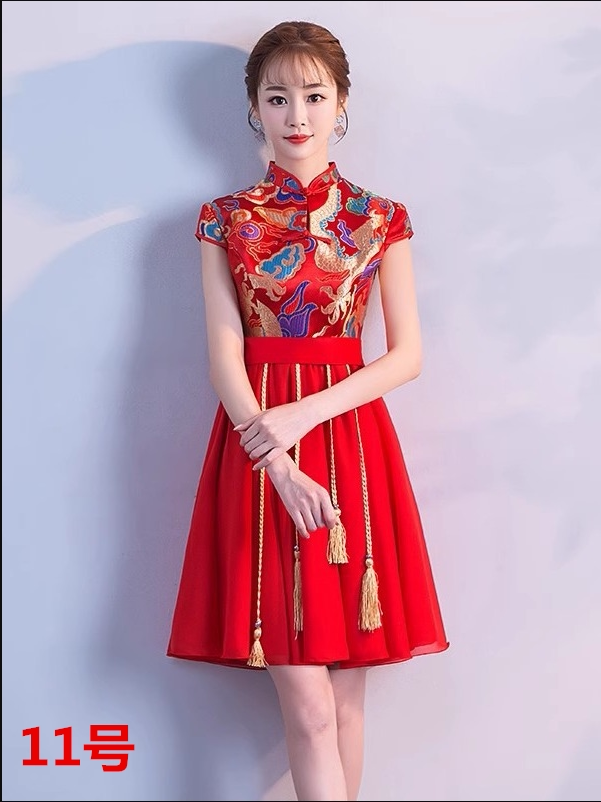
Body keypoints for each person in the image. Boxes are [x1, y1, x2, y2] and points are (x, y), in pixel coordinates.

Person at [167, 20, 449, 801]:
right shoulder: (225, 218)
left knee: (346, 706)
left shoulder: (380, 217)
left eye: (314, 96)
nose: (297, 115)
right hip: (259, 452)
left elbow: (405, 356)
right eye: (278, 97)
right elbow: (224, 358)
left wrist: (303, 415)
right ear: (254, 109)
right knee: (311, 707)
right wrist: (277, 455)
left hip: (351, 448)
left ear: (342, 104)